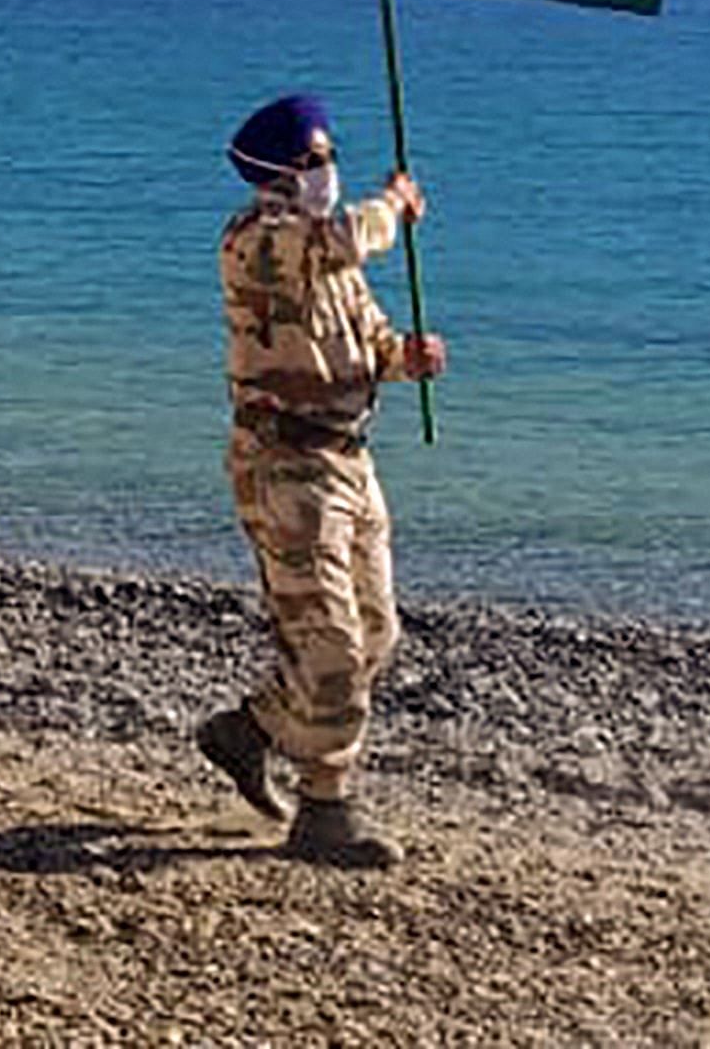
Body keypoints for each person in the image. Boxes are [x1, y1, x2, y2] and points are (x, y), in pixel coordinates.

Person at [188, 92, 445, 870]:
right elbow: (344, 238)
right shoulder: (257, 241)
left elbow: (365, 343)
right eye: (313, 162)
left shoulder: (327, 263)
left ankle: (252, 729)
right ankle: (325, 810)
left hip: (348, 461)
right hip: (285, 469)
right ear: (276, 175)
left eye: (329, 159)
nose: (327, 171)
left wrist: (407, 358)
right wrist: (395, 206)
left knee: (375, 633)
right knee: (329, 644)